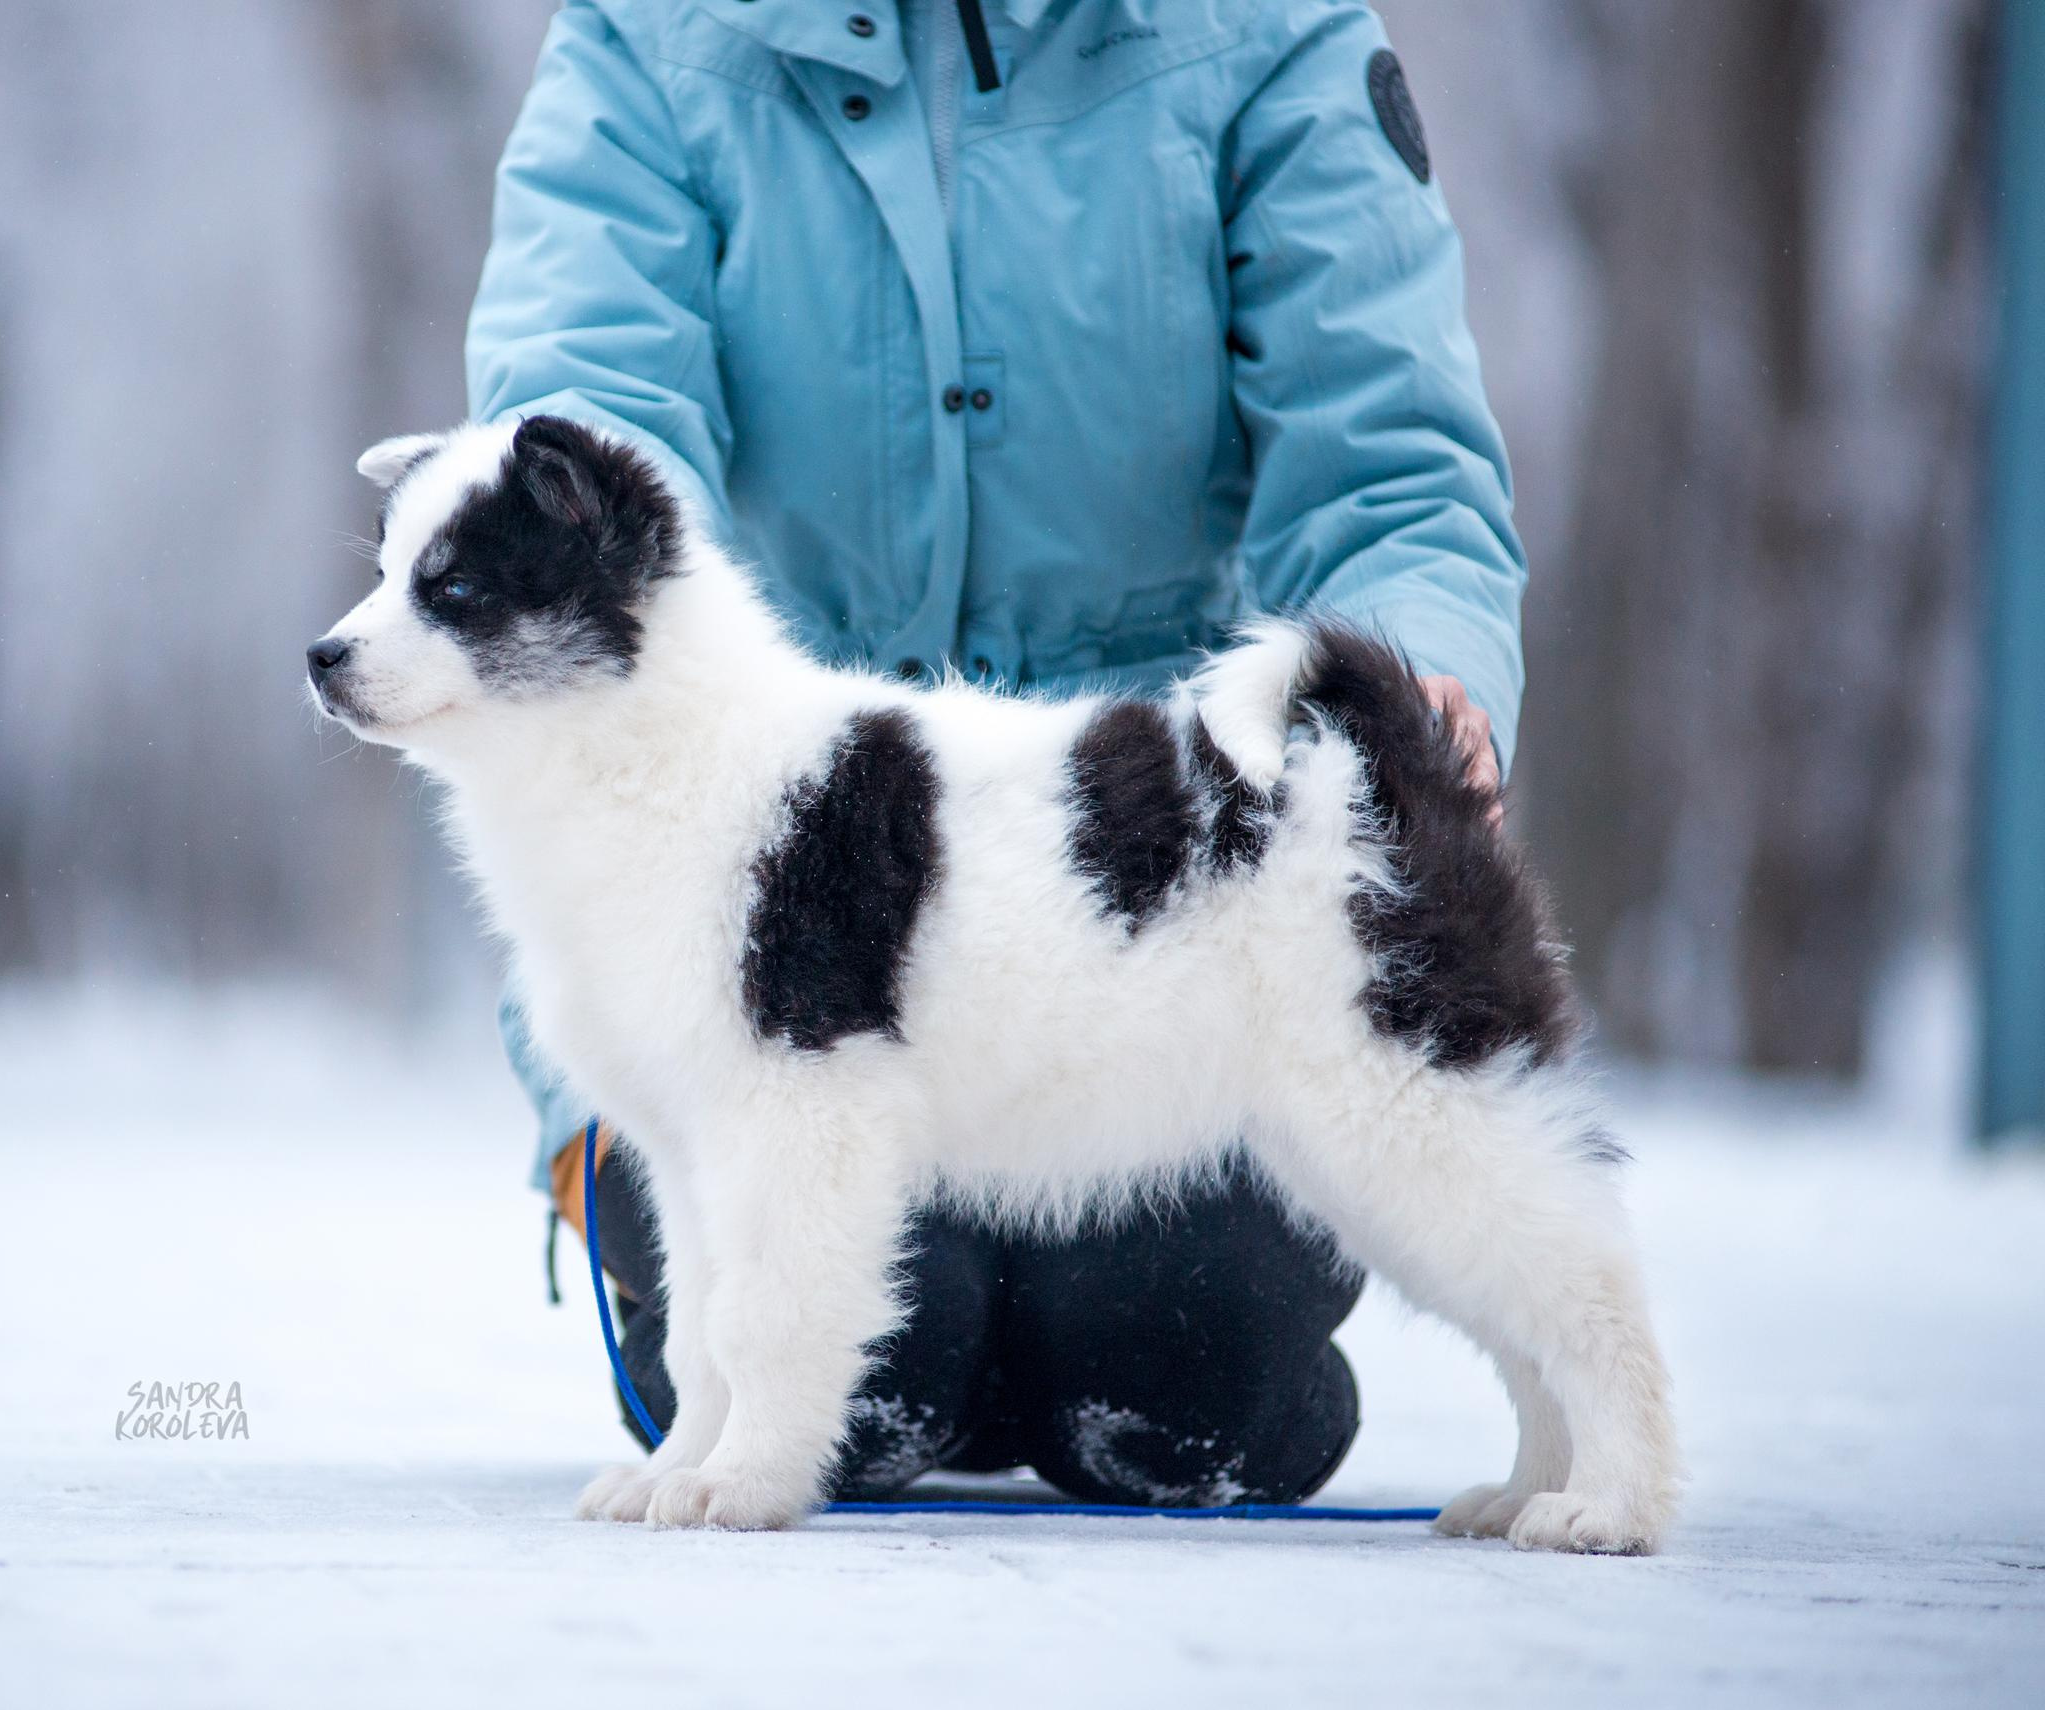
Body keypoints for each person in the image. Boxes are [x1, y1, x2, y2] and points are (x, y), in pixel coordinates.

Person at [464, 0, 1523, 1507]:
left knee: (1175, 1363)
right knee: (854, 1378)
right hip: (754, 890)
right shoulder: (645, 35)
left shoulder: (1269, 32)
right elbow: (583, 427)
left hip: (1149, 899)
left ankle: (1208, 1345)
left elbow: (1390, 464)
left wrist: (1427, 682)